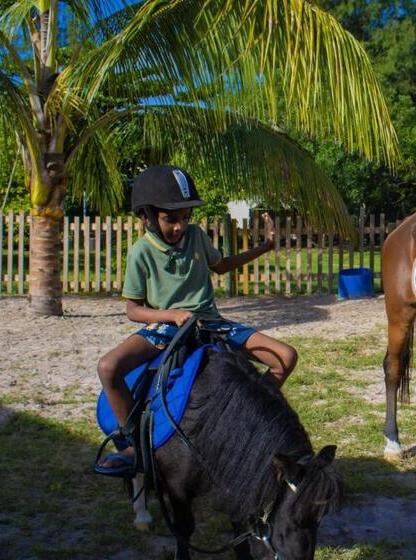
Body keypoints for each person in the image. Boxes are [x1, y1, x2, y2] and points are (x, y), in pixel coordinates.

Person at [95, 165, 298, 476]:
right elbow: (133, 309)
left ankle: (245, 414)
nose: (180, 226)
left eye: (185, 217)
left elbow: (222, 265)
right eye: (170, 219)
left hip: (211, 323)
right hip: (165, 327)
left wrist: (265, 247)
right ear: (147, 216)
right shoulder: (141, 252)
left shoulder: (197, 237)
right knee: (108, 367)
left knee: (285, 356)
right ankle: (132, 443)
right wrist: (171, 315)